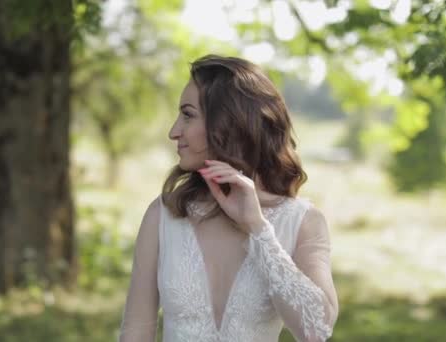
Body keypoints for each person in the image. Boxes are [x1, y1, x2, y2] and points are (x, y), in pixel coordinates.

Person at [118, 55, 339, 342]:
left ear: (229, 123)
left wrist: (258, 229)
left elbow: (316, 330)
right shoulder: (164, 215)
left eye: (188, 114)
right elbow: (136, 330)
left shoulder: (304, 221)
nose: (174, 132)